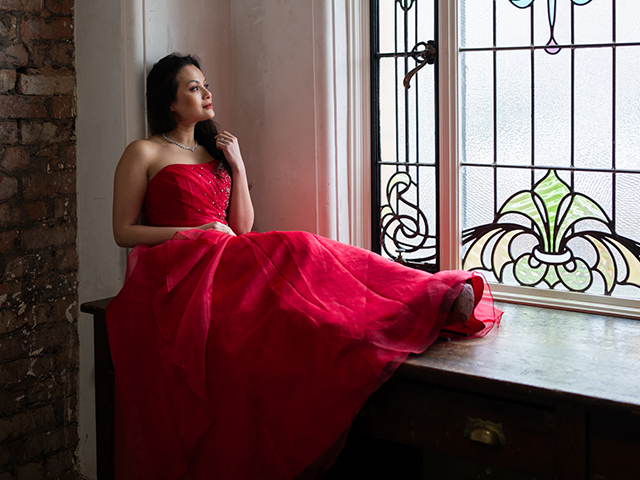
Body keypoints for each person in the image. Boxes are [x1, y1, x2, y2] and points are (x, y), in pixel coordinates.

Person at [107, 52, 502, 480]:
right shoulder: (143, 151)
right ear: (169, 101)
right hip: (180, 270)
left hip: (226, 253)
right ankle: (425, 300)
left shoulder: (212, 151)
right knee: (300, 249)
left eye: (205, 84)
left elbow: (242, 226)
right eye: (194, 87)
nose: (206, 93)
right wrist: (193, 232)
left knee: (308, 255)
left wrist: (237, 165)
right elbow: (123, 231)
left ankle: (426, 297)